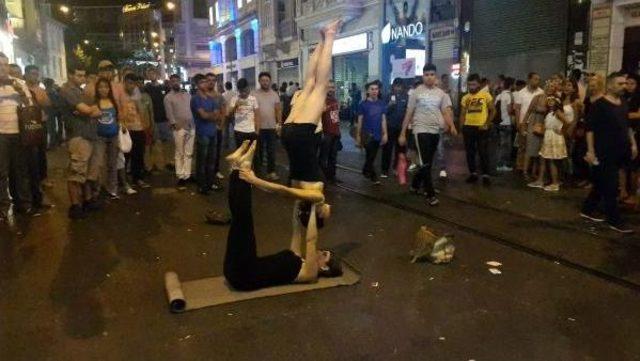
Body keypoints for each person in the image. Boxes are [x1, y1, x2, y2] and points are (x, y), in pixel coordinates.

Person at [581, 72, 638, 234]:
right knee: (611, 186)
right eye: (620, 84)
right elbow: (589, 129)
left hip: (621, 150)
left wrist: (633, 144)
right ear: (610, 85)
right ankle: (614, 220)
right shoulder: (599, 105)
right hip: (604, 152)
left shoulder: (623, 103)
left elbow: (627, 126)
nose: (624, 86)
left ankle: (587, 209)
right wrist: (591, 151)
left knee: (600, 184)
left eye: (625, 83)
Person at [398, 64, 456, 205]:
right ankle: (430, 193)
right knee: (425, 163)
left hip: (435, 131)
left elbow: (446, 112)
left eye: (431, 74)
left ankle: (415, 185)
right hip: (420, 130)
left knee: (427, 163)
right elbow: (409, 113)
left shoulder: (441, 94)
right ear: (423, 76)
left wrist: (452, 126)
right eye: (426, 74)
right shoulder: (416, 92)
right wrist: (402, 133)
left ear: (435, 76)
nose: (429, 77)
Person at [60, 64, 103, 219]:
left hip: (89, 134)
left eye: (84, 75)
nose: (82, 78)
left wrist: (87, 110)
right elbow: (88, 110)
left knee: (88, 172)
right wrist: (88, 110)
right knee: (76, 172)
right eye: (79, 75)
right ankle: (75, 205)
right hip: (78, 136)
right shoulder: (67, 91)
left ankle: (87, 200)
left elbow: (96, 110)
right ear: (70, 75)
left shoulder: (80, 91)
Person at [0, 53, 35, 220]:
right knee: (2, 172)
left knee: (20, 170)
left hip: (20, 133)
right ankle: (3, 207)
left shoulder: (19, 83)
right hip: (1, 134)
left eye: (5, 64)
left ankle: (24, 203)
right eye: (0, 65)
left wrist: (21, 92)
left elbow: (30, 106)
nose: (3, 68)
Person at [460, 73, 496, 185]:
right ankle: (473, 174)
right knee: (470, 153)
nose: (471, 87)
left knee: (483, 152)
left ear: (479, 84)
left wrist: (487, 123)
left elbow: (493, 110)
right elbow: (462, 113)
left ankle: (486, 175)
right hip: (468, 127)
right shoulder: (465, 97)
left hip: (481, 128)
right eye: (469, 85)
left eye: (474, 84)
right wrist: (462, 128)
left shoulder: (485, 95)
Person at [191, 73, 224, 194]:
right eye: (202, 82)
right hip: (202, 133)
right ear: (197, 85)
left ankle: (210, 183)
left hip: (212, 132)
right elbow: (203, 115)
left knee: (211, 160)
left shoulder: (211, 99)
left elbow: (218, 115)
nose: (206, 84)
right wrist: (211, 115)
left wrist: (210, 115)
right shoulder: (195, 99)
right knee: (202, 161)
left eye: (206, 81)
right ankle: (201, 185)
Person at [24, 65, 51, 207]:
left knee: (42, 151)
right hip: (28, 126)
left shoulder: (40, 90)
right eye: (32, 74)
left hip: (41, 122)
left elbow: (47, 103)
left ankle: (43, 177)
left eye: (36, 74)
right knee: (32, 154)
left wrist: (40, 98)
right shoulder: (22, 89)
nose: (35, 77)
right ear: (26, 74)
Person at [528, 96, 567, 191]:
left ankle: (555, 183)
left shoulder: (557, 112)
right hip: (548, 137)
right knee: (545, 159)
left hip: (554, 137)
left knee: (552, 161)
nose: (550, 102)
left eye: (552, 100)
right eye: (548, 100)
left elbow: (566, 122)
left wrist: (562, 131)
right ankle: (541, 181)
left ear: (557, 102)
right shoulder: (549, 113)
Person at [120, 73, 151, 189]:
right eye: (129, 83)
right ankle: (124, 181)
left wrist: (146, 126)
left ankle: (137, 178)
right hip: (126, 130)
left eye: (133, 83)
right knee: (125, 156)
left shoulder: (139, 96)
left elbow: (144, 112)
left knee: (138, 155)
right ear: (124, 83)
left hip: (139, 129)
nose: (131, 86)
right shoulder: (121, 95)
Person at [164, 74, 195, 188]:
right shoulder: (168, 97)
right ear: (170, 83)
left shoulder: (187, 95)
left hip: (191, 127)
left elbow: (191, 109)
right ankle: (181, 176)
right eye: (173, 81)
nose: (176, 82)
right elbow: (169, 113)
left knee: (188, 153)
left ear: (180, 81)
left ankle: (187, 174)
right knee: (179, 153)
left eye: (177, 80)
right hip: (179, 128)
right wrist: (174, 124)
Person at [356, 81, 388, 184]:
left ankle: (368, 171)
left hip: (377, 134)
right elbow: (360, 121)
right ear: (368, 91)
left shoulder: (382, 104)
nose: (374, 91)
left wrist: (385, 133)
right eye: (372, 89)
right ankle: (370, 174)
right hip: (366, 135)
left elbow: (383, 120)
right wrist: (358, 136)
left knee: (372, 155)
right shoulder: (363, 105)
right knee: (370, 154)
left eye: (376, 89)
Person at [94, 78, 120, 199]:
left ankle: (112, 188)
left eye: (106, 87)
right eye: (100, 87)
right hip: (99, 137)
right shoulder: (95, 102)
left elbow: (118, 117)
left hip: (113, 135)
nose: (103, 89)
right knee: (98, 163)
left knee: (112, 163)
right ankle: (97, 188)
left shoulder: (113, 102)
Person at [253, 72, 282, 180]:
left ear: (270, 82)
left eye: (267, 80)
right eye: (263, 80)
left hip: (271, 128)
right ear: (259, 81)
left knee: (271, 151)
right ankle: (258, 173)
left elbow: (278, 110)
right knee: (258, 151)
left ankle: (271, 172)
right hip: (258, 128)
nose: (265, 82)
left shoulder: (274, 94)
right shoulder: (254, 94)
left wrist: (279, 124)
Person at [514, 73, 544, 174]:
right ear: (529, 80)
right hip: (524, 122)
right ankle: (520, 166)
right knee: (522, 145)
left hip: (536, 123)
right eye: (535, 79)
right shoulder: (521, 93)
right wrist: (518, 122)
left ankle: (532, 168)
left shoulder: (541, 92)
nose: (537, 81)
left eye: (538, 80)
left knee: (535, 146)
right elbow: (517, 109)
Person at [144, 68, 172, 172]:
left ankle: (168, 162)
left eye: (153, 73)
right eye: (149, 74)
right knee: (154, 143)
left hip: (164, 119)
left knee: (167, 142)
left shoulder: (164, 87)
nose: (151, 75)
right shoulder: (146, 89)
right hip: (153, 119)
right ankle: (153, 163)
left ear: (157, 75)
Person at [382, 78, 408, 178]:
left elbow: (408, 112)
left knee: (400, 149)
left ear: (402, 87)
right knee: (387, 149)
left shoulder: (406, 97)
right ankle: (384, 170)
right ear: (393, 86)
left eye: (400, 86)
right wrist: (389, 105)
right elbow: (383, 111)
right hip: (389, 127)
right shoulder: (388, 96)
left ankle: (396, 168)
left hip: (401, 128)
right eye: (396, 86)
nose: (398, 88)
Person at [319, 80, 341, 184]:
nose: (331, 89)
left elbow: (335, 117)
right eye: (329, 87)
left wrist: (338, 131)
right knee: (324, 156)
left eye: (333, 87)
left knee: (333, 156)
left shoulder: (335, 100)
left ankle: (331, 176)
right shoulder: (321, 100)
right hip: (326, 133)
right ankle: (322, 178)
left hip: (335, 132)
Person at [229, 78, 260, 147]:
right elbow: (229, 114)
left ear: (248, 88)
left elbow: (257, 115)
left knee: (252, 154)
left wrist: (257, 130)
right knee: (241, 153)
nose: (244, 93)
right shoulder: (234, 99)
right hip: (239, 130)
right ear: (238, 90)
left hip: (251, 130)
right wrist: (236, 106)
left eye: (245, 90)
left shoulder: (253, 99)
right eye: (241, 91)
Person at [494, 77, 515, 171]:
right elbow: (509, 110)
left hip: (499, 122)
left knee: (500, 144)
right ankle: (504, 164)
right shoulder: (509, 95)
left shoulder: (499, 95)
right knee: (507, 146)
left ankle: (498, 163)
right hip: (506, 122)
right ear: (511, 85)